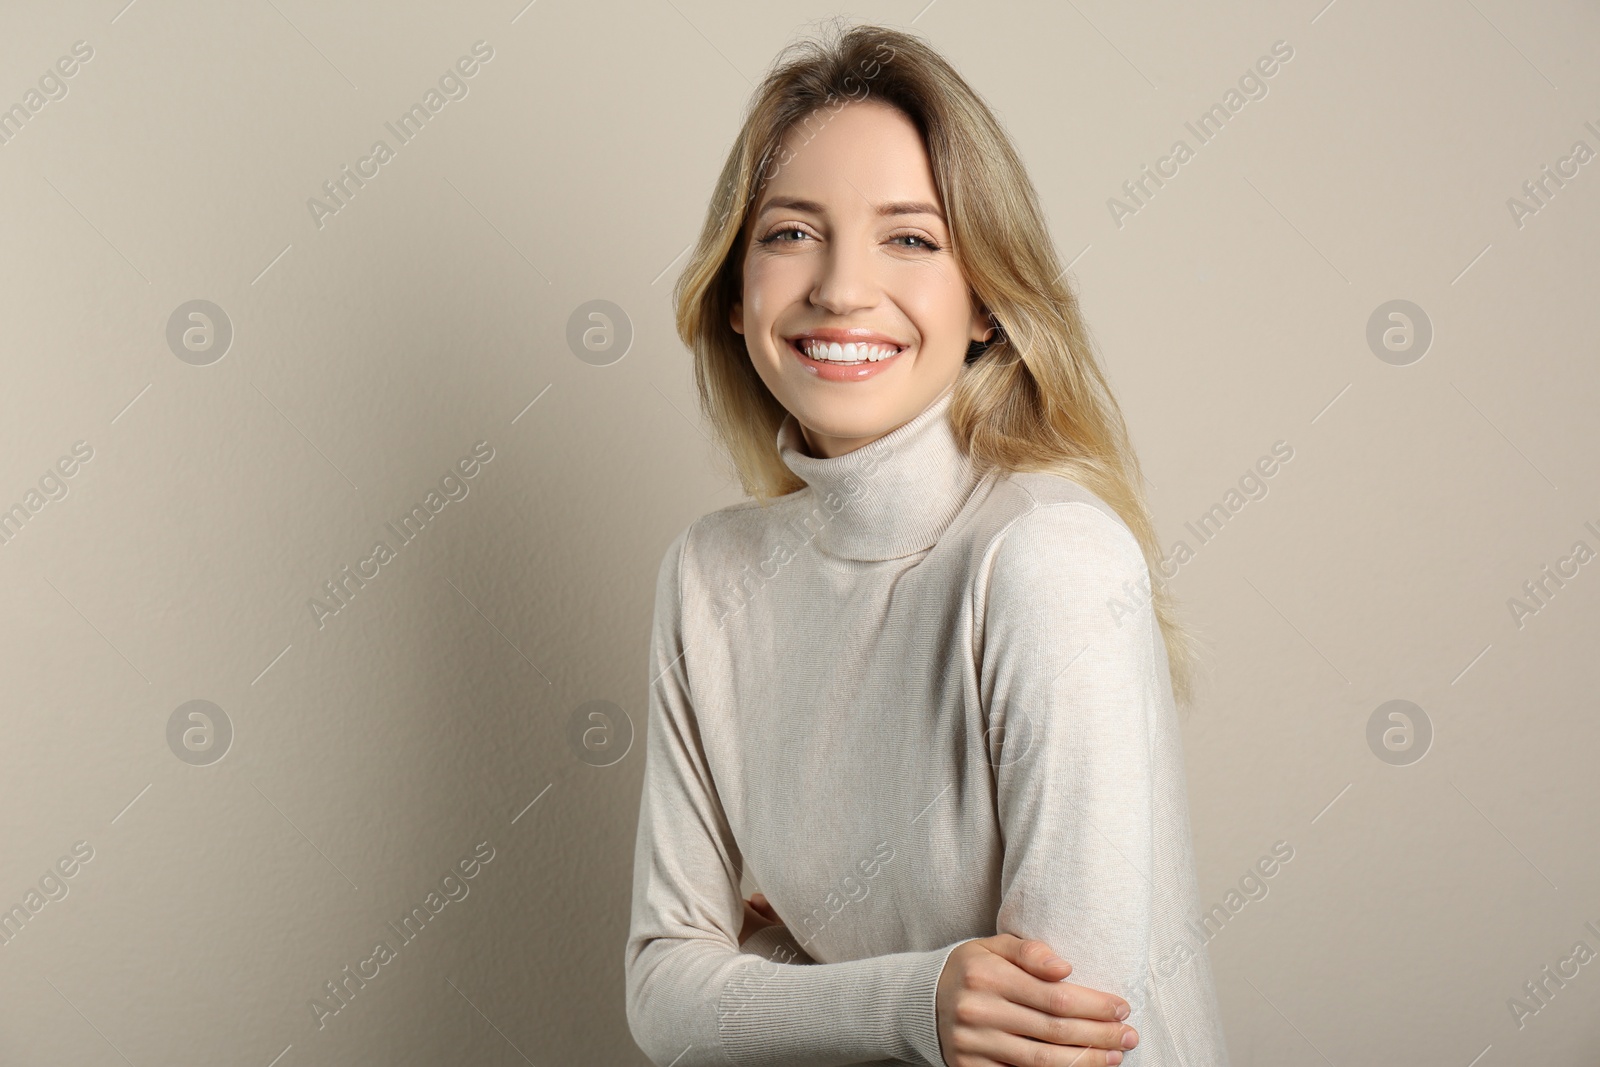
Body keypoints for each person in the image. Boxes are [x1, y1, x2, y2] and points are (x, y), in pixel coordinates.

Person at [624, 19, 1231, 1067]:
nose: (840, 288)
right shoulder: (710, 576)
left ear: (987, 299)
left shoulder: (1051, 560)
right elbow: (659, 993)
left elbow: (1050, 1043)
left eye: (910, 236)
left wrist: (772, 970)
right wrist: (915, 996)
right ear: (733, 293)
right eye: (790, 231)